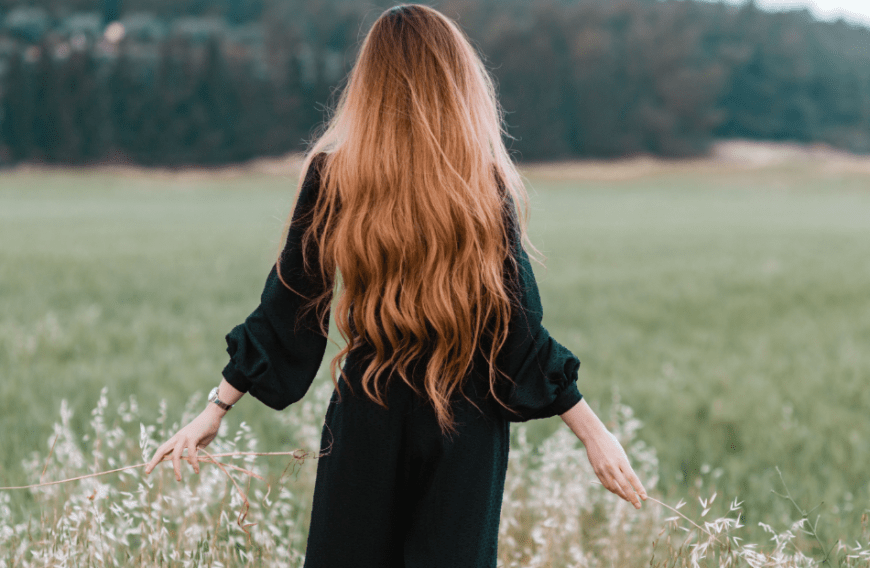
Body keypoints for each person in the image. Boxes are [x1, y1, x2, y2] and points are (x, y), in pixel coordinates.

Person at [145, 4, 648, 566]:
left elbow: (290, 307)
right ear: (458, 82)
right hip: (467, 417)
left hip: (368, 408)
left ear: (371, 84)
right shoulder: (480, 182)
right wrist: (592, 432)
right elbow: (517, 330)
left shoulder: (335, 173)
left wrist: (216, 407)